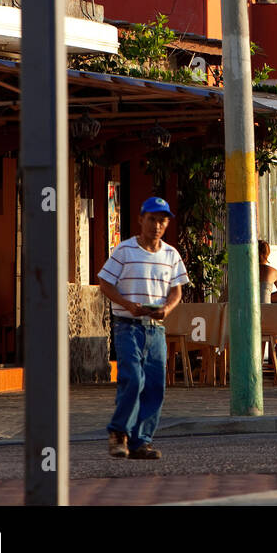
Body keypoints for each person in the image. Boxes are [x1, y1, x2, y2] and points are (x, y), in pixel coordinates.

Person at [97, 196, 188, 460]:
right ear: (140, 219)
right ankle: (118, 433)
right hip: (127, 325)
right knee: (133, 379)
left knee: (155, 385)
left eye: (162, 220)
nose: (157, 225)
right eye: (152, 219)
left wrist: (166, 310)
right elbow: (105, 282)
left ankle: (142, 441)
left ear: (167, 223)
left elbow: (176, 290)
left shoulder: (171, 254)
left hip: (155, 327)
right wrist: (127, 304)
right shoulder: (124, 251)